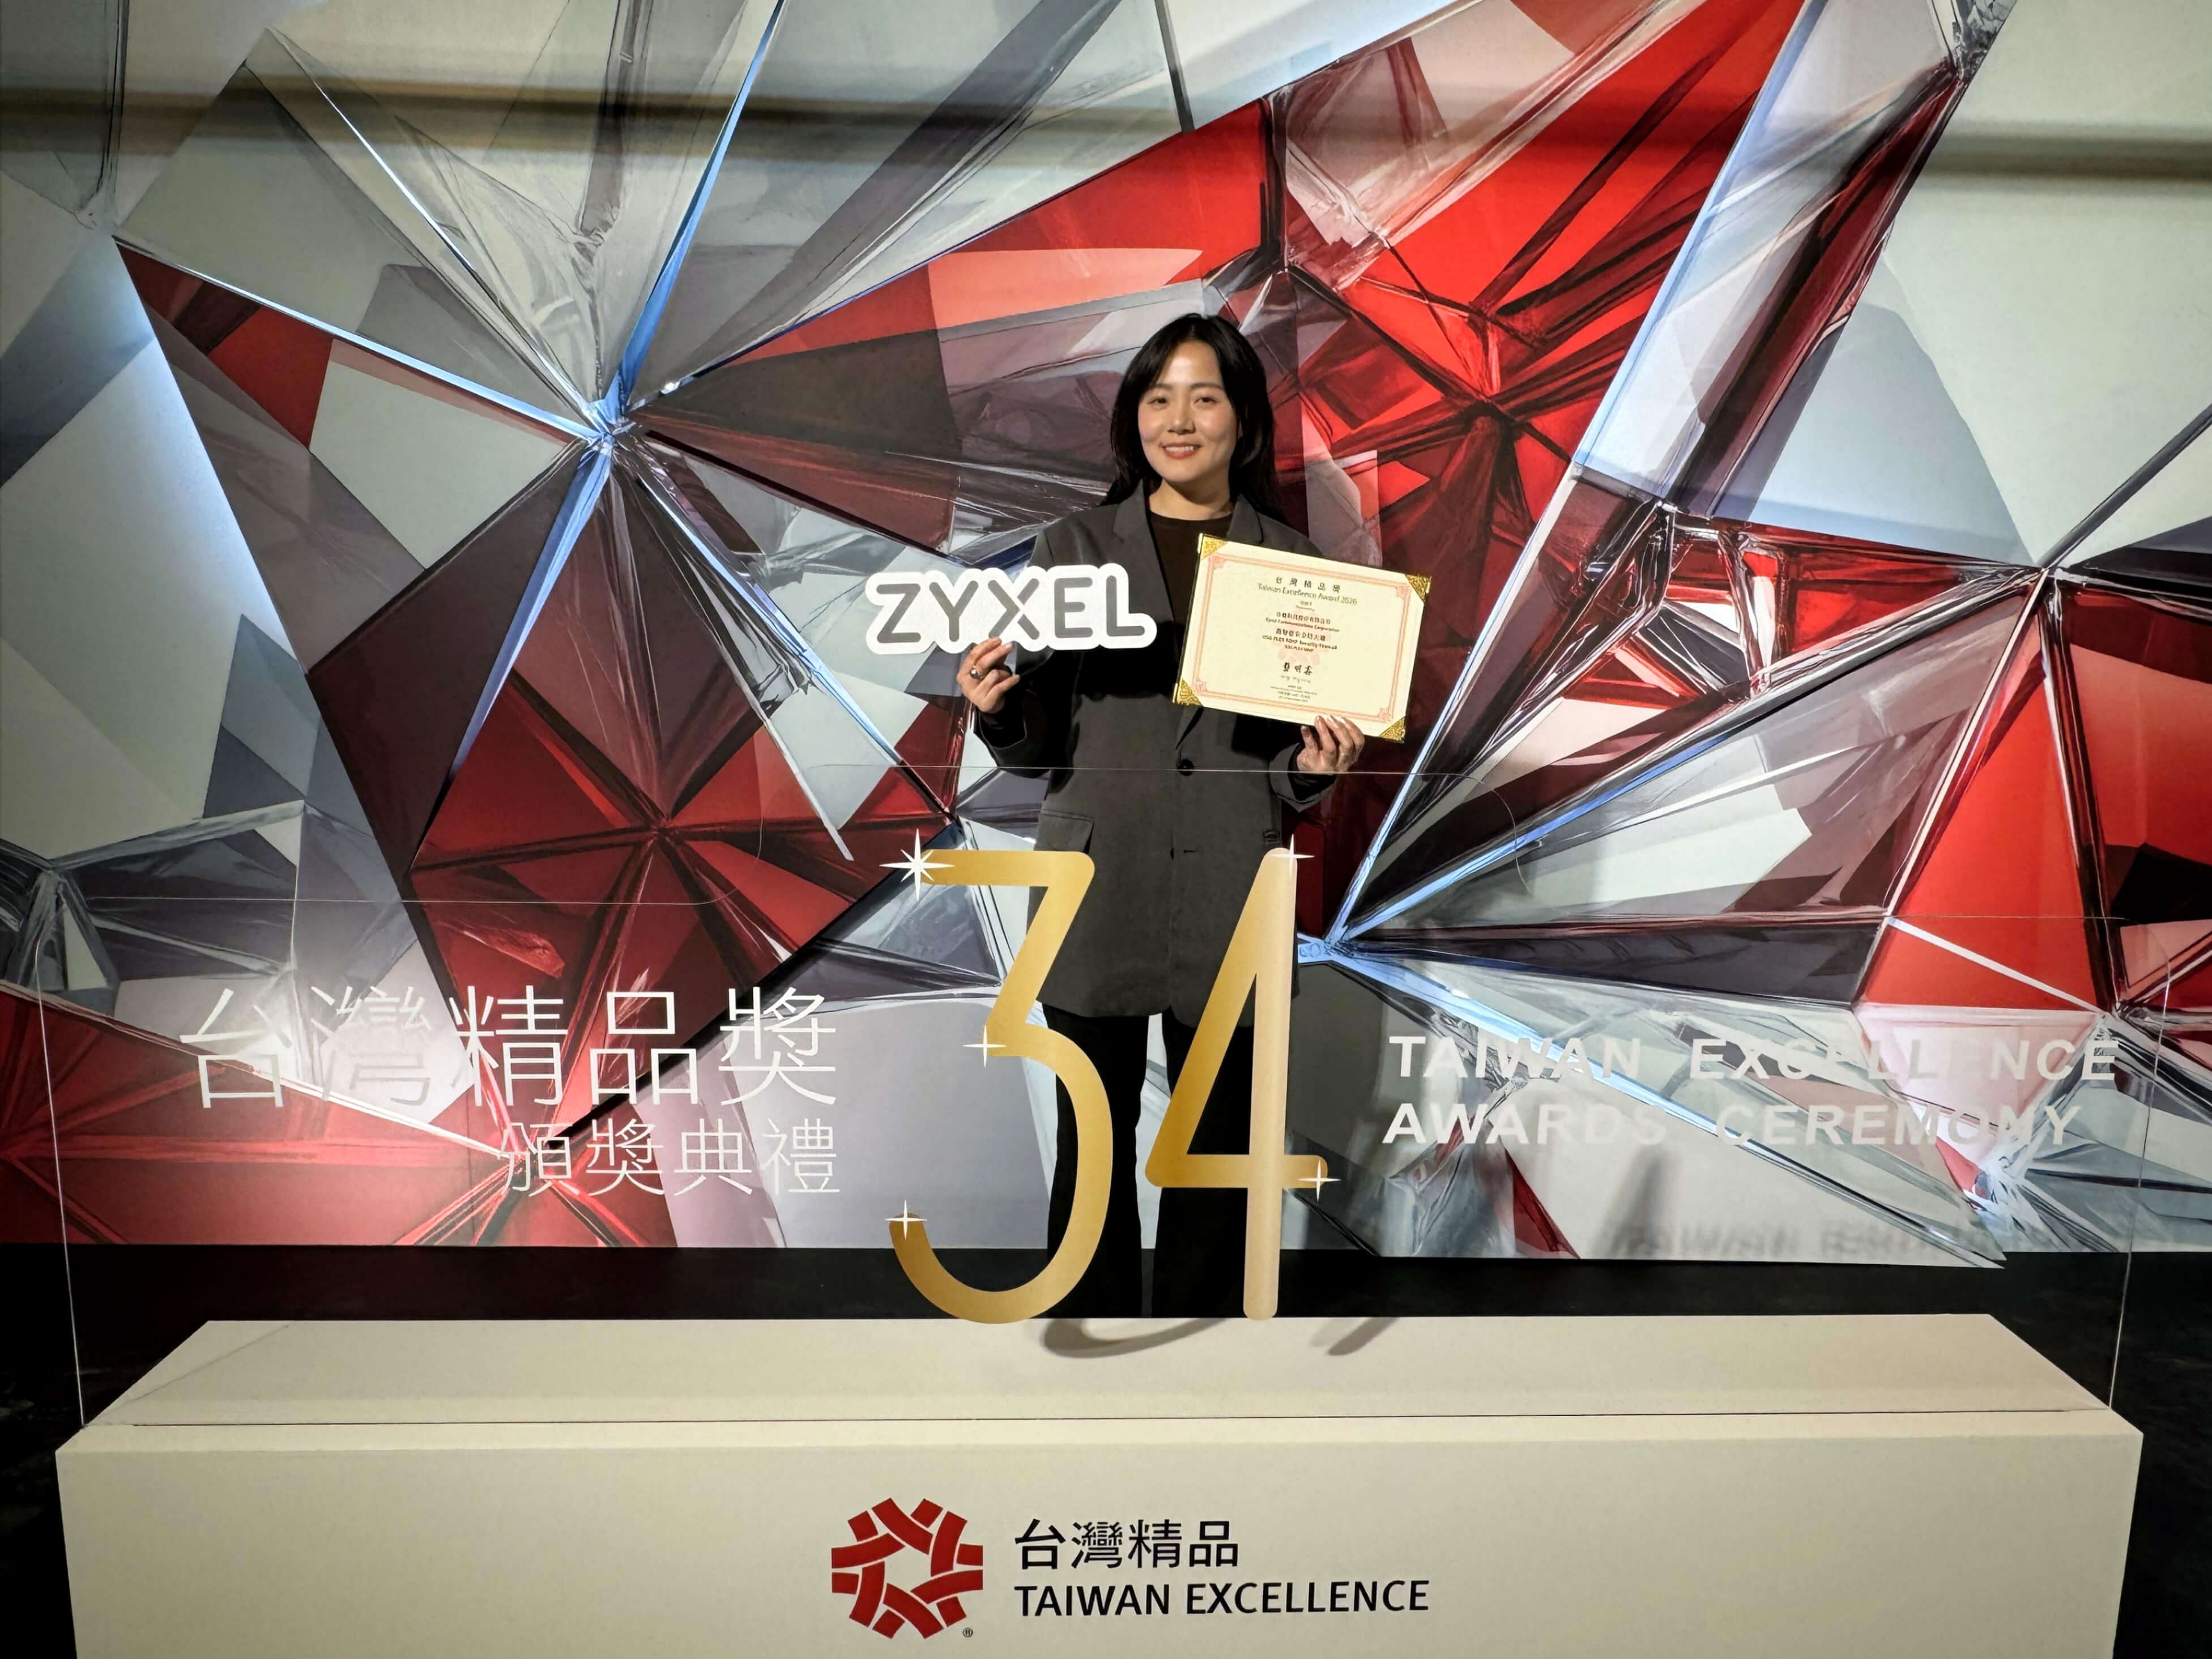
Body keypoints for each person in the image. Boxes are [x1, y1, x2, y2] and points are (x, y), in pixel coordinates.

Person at [957, 312, 1365, 1315]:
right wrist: (999, 711)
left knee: (1221, 1136)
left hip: (1233, 878)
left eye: (1203, 396)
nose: (1177, 420)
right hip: (1096, 880)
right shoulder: (1073, 546)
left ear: (1244, 424)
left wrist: (1315, 767)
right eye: (1156, 397)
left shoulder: (1295, 565)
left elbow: (1285, 761)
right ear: (1133, 419)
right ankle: (1083, 1334)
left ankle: (1201, 1349)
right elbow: (1046, 738)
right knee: (1088, 1129)